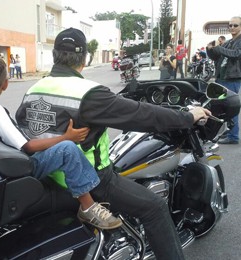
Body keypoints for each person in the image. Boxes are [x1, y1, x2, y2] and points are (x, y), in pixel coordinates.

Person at [16, 27, 211, 260]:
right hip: (93, 180)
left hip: (46, 178)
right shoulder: (88, 93)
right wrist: (188, 117)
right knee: (155, 208)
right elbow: (142, 115)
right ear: (85, 58)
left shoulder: (33, 89)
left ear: (54, 55)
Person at [0, 54, 122, 230]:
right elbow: (27, 146)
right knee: (67, 149)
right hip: (17, 170)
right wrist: (66, 137)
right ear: (5, 84)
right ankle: (88, 206)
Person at [207, 16, 241, 145]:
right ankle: (229, 130)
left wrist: (219, 47)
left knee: (231, 107)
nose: (232, 27)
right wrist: (210, 49)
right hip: (222, 78)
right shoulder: (229, 42)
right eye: (230, 25)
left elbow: (236, 54)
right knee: (221, 107)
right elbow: (216, 57)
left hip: (232, 79)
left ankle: (233, 136)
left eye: (235, 25)